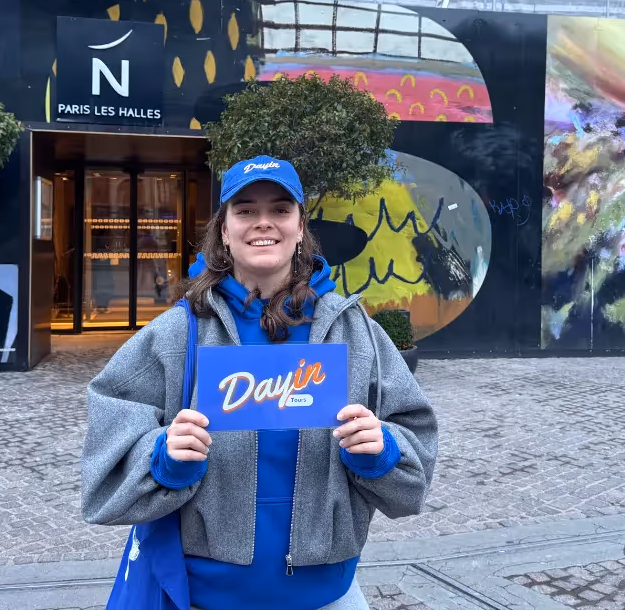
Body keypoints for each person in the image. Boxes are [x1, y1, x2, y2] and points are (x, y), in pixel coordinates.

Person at [81, 155, 438, 610]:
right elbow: (104, 460)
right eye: (245, 210)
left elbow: (415, 459)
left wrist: (382, 449)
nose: (263, 223)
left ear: (301, 228)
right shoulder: (179, 332)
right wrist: (163, 458)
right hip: (205, 598)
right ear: (225, 230)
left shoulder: (355, 332)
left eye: (280, 210)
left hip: (329, 595)